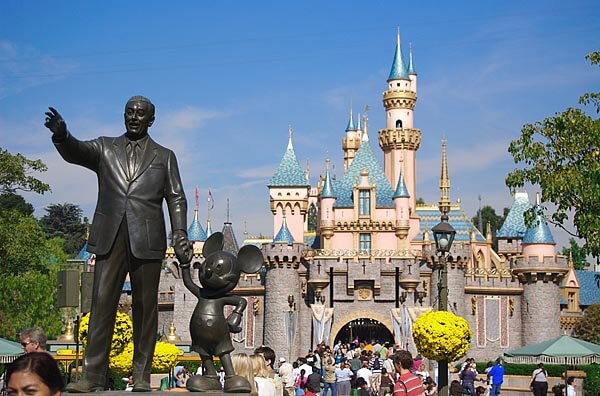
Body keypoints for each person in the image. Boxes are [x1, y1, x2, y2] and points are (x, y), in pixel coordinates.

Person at [44, 97, 192, 393]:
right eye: (129, 113)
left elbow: (176, 197)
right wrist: (62, 135)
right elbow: (76, 151)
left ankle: (141, 375)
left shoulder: (164, 156)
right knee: (102, 305)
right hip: (110, 236)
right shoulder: (104, 147)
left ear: (151, 120)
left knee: (145, 308)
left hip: (147, 238)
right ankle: (93, 375)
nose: (133, 118)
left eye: (140, 114)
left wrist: (179, 233)